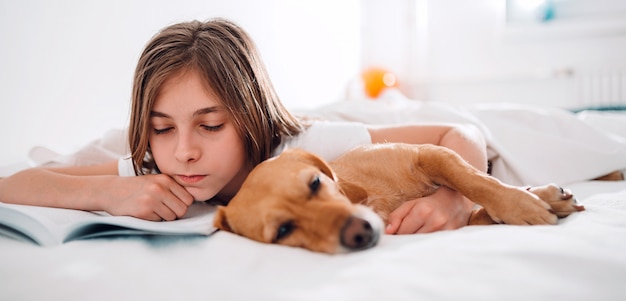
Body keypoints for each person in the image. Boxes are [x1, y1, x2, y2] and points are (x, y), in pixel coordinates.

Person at [0, 18, 487, 235]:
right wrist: (107, 192)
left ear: (249, 117)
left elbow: (455, 134)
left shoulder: (305, 151)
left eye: (210, 125)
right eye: (162, 127)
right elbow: (12, 185)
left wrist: (457, 197)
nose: (184, 151)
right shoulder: (159, 166)